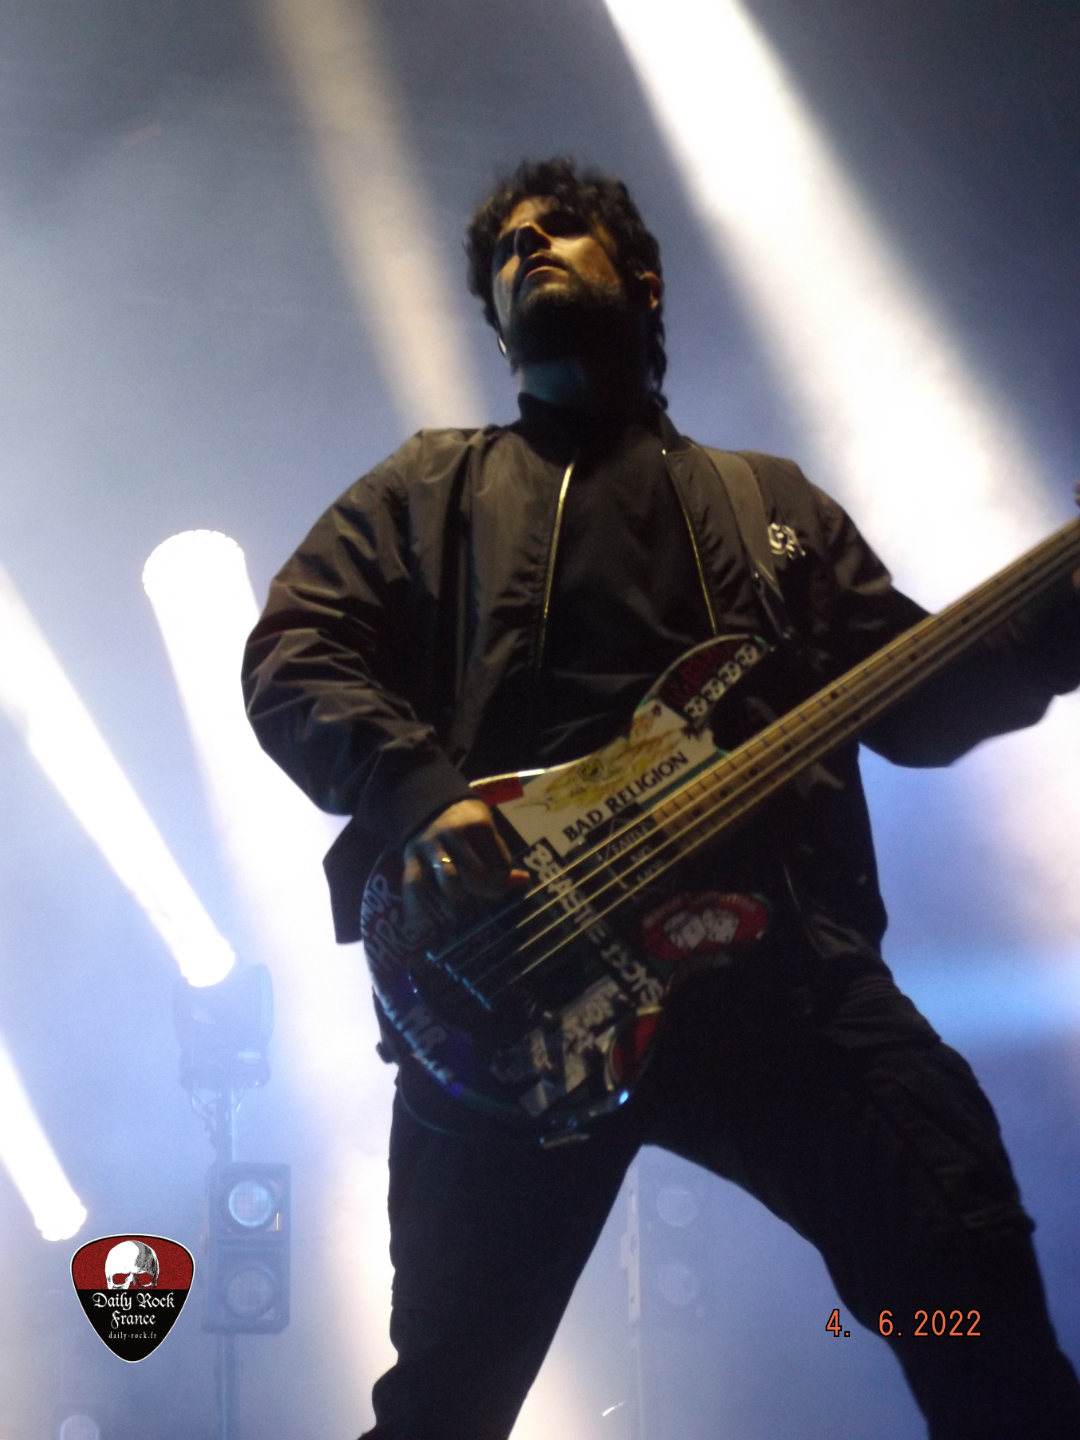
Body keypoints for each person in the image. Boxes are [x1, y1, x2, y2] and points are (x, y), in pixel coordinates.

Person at [242, 157, 1080, 1439]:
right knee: (444, 1406)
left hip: (783, 983)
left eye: (560, 229)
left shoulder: (768, 507)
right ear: (498, 328)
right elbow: (297, 649)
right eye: (507, 247)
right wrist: (416, 792)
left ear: (642, 281)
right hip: (507, 991)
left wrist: (1064, 617)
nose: (528, 246)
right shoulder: (429, 490)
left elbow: (918, 698)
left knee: (962, 1296)